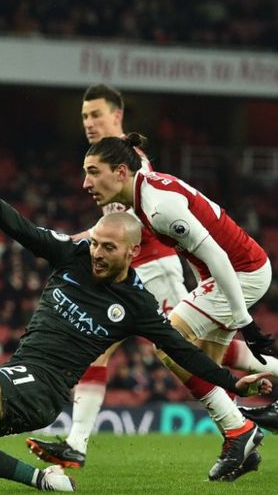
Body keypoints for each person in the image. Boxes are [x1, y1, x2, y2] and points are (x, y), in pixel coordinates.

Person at [0, 158, 272, 492]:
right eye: (96, 243)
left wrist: (237, 386)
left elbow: (185, 353)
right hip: (24, 372)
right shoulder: (74, 255)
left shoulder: (138, 304)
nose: (98, 253)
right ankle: (44, 481)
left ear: (132, 252)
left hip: (45, 389)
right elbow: (23, 230)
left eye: (108, 248)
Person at [27, 84, 278, 472]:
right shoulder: (122, 177)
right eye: (83, 116)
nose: (89, 123)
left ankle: (237, 428)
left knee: (181, 348)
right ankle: (236, 428)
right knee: (179, 353)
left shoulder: (137, 178)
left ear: (117, 116)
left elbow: (201, 246)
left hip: (158, 268)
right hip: (157, 269)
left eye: (96, 115)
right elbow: (111, 229)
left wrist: (245, 321)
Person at [81, 132, 278, 479]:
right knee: (205, 363)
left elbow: (217, 255)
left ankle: (240, 432)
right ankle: (239, 444)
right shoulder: (143, 195)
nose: (86, 182)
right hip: (224, 275)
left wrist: (243, 319)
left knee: (168, 343)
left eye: (94, 171)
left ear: (121, 172)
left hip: (240, 273)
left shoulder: (158, 206)